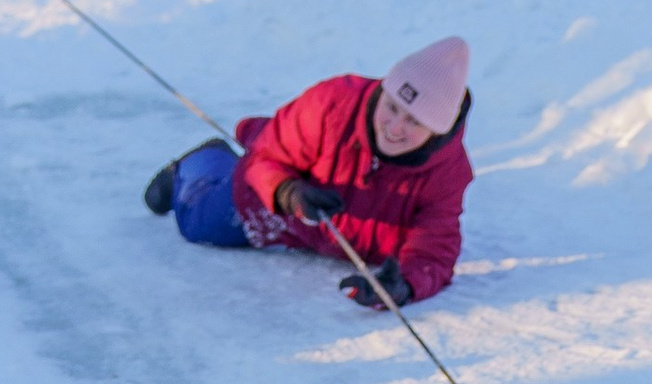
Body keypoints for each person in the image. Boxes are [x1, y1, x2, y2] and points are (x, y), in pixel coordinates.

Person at [143, 37, 472, 306]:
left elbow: (434, 251)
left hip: (344, 235)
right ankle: (202, 162)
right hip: (286, 208)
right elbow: (265, 162)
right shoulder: (332, 103)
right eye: (392, 107)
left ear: (438, 132)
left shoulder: (447, 172)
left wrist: (403, 286)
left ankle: (264, 131)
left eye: (414, 121)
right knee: (197, 223)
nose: (395, 128)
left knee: (275, 142)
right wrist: (286, 192)